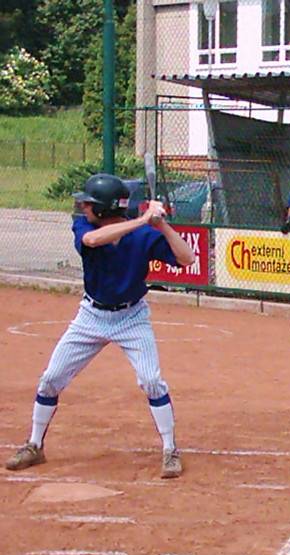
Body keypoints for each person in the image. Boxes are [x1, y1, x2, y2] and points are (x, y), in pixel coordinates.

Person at [5, 174, 195, 478]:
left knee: (151, 381)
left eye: (90, 203)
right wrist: (143, 219)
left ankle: (170, 450)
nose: (84, 207)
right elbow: (93, 241)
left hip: (132, 317)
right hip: (91, 316)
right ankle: (34, 444)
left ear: (105, 209)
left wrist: (161, 226)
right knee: (51, 378)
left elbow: (187, 259)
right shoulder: (84, 227)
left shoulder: (144, 236)